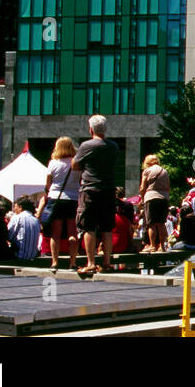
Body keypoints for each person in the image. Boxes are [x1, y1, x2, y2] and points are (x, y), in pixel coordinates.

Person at [72, 114, 119, 277]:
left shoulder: (86, 145)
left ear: (90, 129)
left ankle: (91, 263)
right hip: (109, 189)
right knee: (107, 228)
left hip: (90, 188)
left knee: (88, 226)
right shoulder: (113, 146)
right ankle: (107, 262)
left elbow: (75, 165)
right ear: (105, 129)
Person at [36, 137, 81, 273]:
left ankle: (55, 262)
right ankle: (72, 263)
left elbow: (48, 183)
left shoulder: (53, 163)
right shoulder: (76, 163)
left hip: (56, 198)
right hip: (73, 199)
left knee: (56, 233)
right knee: (72, 232)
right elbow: (80, 181)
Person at [138, 154, 170, 253]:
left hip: (151, 197)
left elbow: (143, 188)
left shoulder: (147, 171)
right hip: (164, 198)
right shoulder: (164, 171)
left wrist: (142, 199)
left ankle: (152, 245)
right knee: (161, 223)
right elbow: (168, 187)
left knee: (151, 224)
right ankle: (163, 246)